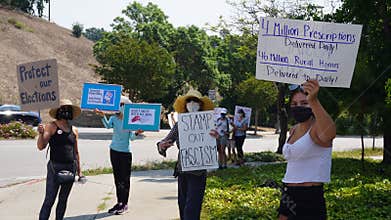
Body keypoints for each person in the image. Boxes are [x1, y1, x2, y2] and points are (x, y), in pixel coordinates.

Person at [278, 80, 336, 220]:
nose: (298, 107)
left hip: (309, 197)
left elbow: (330, 133)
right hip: (288, 192)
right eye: (294, 104)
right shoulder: (293, 129)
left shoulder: (316, 129)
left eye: (304, 103)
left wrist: (314, 100)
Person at [157, 89, 216, 220]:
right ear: (184, 105)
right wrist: (162, 145)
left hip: (199, 172)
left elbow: (213, 145)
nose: (192, 103)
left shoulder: (208, 124)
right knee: (183, 206)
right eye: (189, 101)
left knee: (192, 207)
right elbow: (166, 140)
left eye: (195, 101)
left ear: (201, 105)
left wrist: (215, 137)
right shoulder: (179, 125)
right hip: (182, 170)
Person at [94, 95, 143, 215]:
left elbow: (131, 137)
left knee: (125, 179)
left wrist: (137, 133)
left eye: (122, 105)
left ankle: (124, 204)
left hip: (125, 153)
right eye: (119, 105)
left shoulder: (131, 120)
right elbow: (107, 126)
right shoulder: (114, 118)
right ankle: (119, 202)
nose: (120, 107)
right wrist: (102, 116)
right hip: (114, 150)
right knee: (117, 179)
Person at [37, 99, 83, 220]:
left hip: (70, 168)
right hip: (55, 167)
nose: (66, 112)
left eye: (68, 110)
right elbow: (41, 146)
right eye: (63, 109)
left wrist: (79, 171)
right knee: (49, 199)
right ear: (58, 111)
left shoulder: (74, 130)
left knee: (63, 200)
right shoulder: (51, 126)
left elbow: (76, 152)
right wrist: (41, 134)